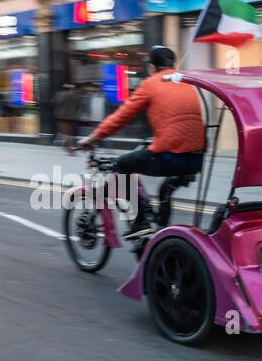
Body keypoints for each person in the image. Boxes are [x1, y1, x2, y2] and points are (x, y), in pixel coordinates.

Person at [77, 45, 205, 236]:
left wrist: (93, 137)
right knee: (166, 187)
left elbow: (122, 116)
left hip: (172, 156)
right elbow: (180, 121)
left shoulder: (151, 83)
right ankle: (162, 233)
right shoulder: (186, 83)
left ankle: (139, 222)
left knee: (121, 166)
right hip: (196, 158)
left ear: (152, 67)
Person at [53, 82, 81, 153]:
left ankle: (69, 147)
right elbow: (78, 105)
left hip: (62, 115)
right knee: (69, 132)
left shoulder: (59, 94)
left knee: (65, 132)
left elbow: (56, 103)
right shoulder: (76, 95)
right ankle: (67, 146)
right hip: (72, 116)